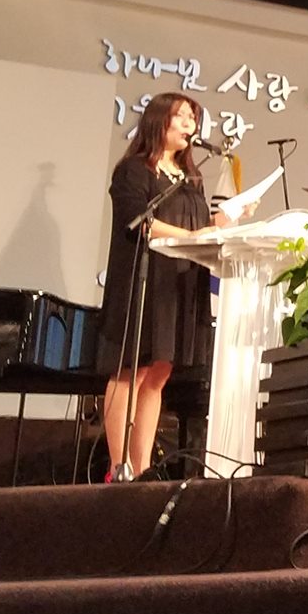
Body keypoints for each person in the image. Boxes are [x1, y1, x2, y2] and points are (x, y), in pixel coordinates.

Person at [99, 92, 216, 479]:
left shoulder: (190, 178)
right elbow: (139, 221)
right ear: (157, 121)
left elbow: (199, 229)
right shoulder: (134, 170)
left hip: (180, 281)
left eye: (192, 118)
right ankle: (119, 467)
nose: (189, 125)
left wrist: (225, 221)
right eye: (181, 117)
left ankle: (144, 469)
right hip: (144, 279)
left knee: (160, 373)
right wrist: (190, 236)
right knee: (132, 370)